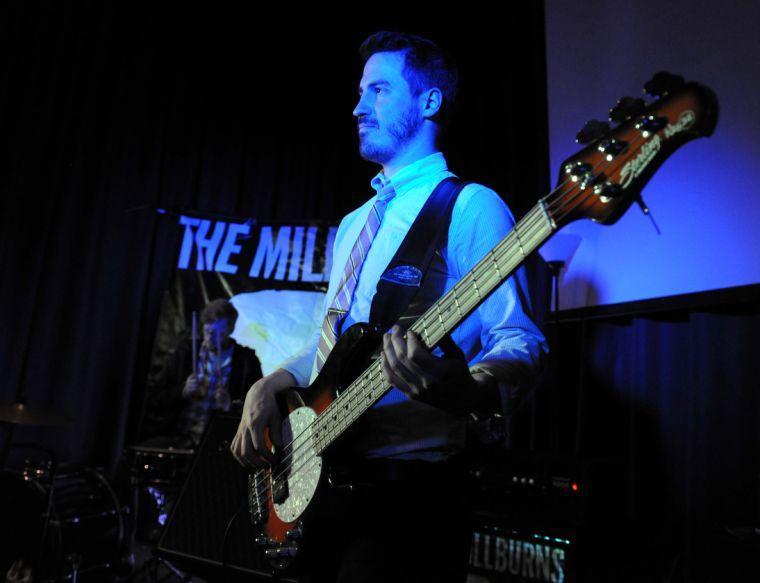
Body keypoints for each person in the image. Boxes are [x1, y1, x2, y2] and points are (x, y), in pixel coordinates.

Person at [231, 31, 548, 582]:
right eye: (360, 93)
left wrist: (465, 389)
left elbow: (519, 341)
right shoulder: (355, 222)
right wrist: (271, 382)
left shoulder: (470, 207)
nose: (357, 107)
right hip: (324, 483)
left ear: (430, 102)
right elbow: (331, 346)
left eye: (378, 91)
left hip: (410, 497)